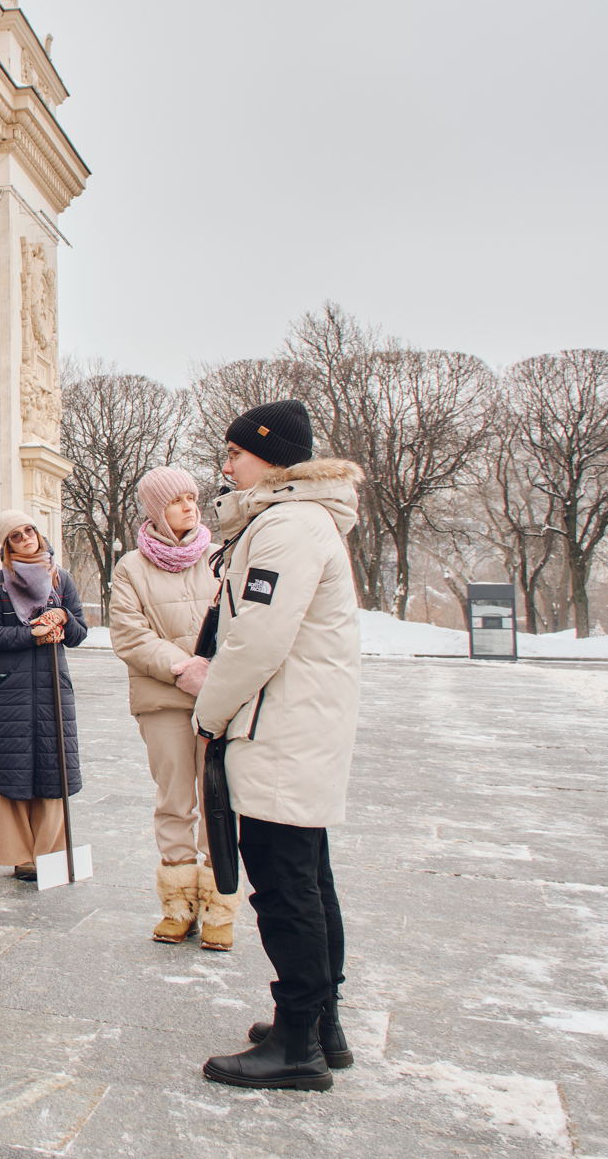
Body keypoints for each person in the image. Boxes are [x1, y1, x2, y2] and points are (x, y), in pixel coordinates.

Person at [178, 399, 363, 1092]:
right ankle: (320, 1022)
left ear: (273, 457)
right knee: (309, 879)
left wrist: (210, 711)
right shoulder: (299, 520)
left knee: (287, 888)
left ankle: (297, 1041)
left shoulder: (286, 525)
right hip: (294, 726)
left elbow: (255, 638)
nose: (224, 465)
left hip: (276, 728)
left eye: (235, 452)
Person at [109, 466, 235, 949]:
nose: (189, 506)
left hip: (220, 698)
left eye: (192, 497)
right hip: (164, 699)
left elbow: (238, 621)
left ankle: (220, 905)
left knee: (220, 800)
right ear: (155, 510)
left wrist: (217, 673)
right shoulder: (131, 568)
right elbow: (129, 634)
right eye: (177, 500)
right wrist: (184, 668)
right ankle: (178, 904)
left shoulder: (219, 558)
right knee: (174, 799)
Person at [0, 512, 87, 882]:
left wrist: (64, 619)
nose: (24, 538)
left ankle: (52, 853)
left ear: (39, 534)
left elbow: (80, 632)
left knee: (54, 768)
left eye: (28, 531)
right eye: (15, 536)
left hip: (55, 687)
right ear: (6, 546)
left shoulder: (62, 579)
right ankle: (20, 854)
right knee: (16, 770)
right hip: (13, 690)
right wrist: (33, 635)